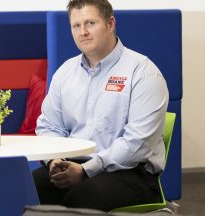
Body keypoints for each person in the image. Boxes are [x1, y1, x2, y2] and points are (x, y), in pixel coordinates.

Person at [33, 0, 169, 212]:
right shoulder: (65, 72)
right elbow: (48, 127)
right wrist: (54, 161)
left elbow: (137, 144)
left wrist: (86, 170)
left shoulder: (143, 73)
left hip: (130, 172)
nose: (83, 32)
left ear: (110, 23)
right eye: (76, 26)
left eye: (90, 23)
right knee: (27, 188)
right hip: (73, 164)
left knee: (80, 199)